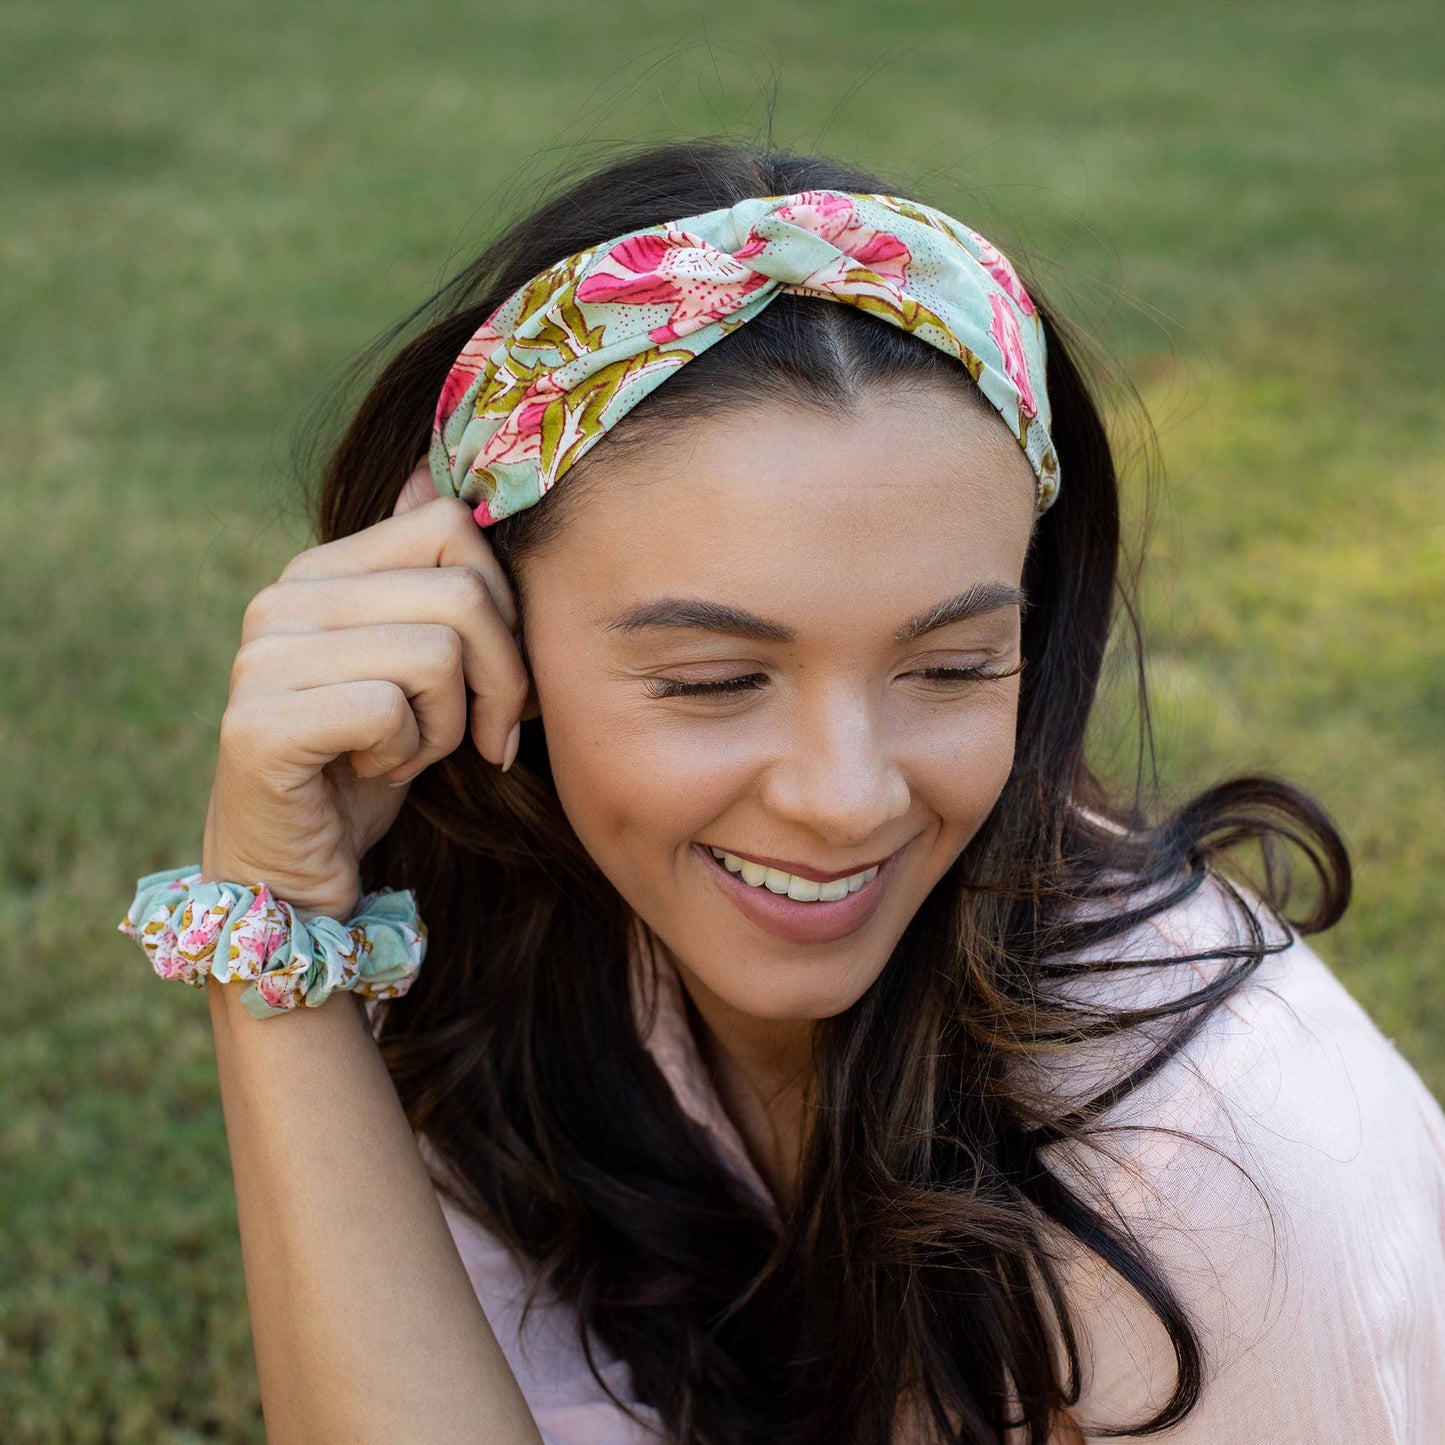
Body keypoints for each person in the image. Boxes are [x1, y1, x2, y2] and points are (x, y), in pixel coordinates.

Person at [126, 140, 1445, 1443]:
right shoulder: (528, 956)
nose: (845, 798)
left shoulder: (1218, 1172)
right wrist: (280, 926)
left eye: (951, 665)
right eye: (713, 680)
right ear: (492, 640)